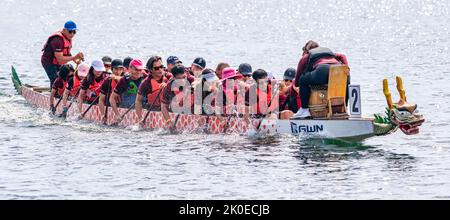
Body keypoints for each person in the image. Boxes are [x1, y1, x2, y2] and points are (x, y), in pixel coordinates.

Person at [292, 40, 349, 118]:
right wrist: (347, 68)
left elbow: (298, 78)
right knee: (345, 83)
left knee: (303, 79)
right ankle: (345, 107)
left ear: (306, 50)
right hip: (338, 69)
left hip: (322, 70)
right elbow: (343, 56)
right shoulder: (328, 53)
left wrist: (297, 83)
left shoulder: (307, 55)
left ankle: (304, 110)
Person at [41, 20, 84, 87]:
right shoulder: (57, 40)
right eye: (70, 31)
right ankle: (54, 95)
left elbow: (66, 53)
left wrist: (74, 59)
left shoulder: (67, 37)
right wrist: (74, 57)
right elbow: (60, 59)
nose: (72, 34)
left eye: (74, 32)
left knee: (67, 76)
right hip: (49, 62)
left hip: (58, 62)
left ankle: (65, 92)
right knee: (55, 79)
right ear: (64, 30)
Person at [109, 59, 145, 123]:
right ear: (130, 68)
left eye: (140, 70)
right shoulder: (124, 80)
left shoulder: (145, 77)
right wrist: (117, 115)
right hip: (127, 110)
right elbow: (112, 98)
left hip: (144, 109)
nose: (138, 72)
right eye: (136, 69)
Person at [135, 56, 169, 123]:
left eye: (161, 67)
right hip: (154, 110)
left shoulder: (169, 77)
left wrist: (167, 85)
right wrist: (140, 118)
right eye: (156, 68)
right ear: (150, 70)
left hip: (168, 108)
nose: (160, 70)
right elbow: (138, 101)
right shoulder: (146, 83)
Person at [98, 59, 125, 123]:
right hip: (110, 105)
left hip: (123, 104)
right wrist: (102, 115)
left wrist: (116, 77)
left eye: (120, 69)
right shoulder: (107, 80)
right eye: (116, 69)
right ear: (112, 69)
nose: (118, 72)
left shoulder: (126, 79)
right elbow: (101, 99)